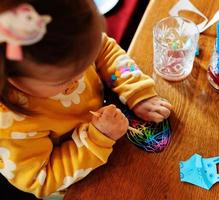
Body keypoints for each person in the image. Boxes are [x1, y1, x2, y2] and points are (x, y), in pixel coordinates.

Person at [0, 0, 172, 199]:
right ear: (10, 77)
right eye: (65, 80)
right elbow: (42, 179)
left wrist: (135, 91)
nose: (82, 76)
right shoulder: (9, 124)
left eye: (87, 62)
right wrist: (98, 137)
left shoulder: (72, 38)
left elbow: (105, 50)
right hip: (77, 181)